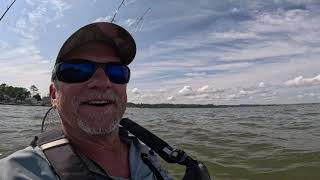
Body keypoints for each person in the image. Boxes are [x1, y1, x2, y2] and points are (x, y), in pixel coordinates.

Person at [0, 22, 172, 180]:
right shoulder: (20, 171)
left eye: (116, 71)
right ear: (53, 95)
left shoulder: (144, 151)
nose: (103, 82)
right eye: (77, 70)